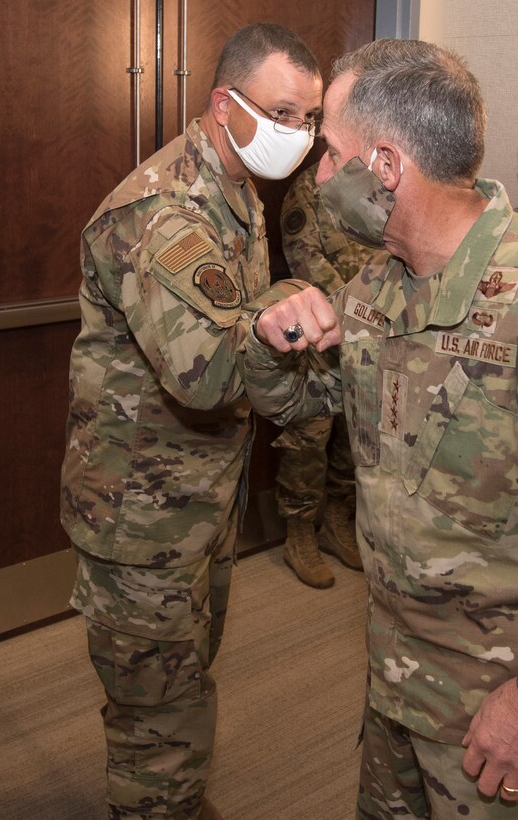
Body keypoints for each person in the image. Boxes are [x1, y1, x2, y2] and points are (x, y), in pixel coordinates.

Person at [242, 38, 518, 818]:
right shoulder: (374, 288)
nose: (318, 175)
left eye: (330, 153)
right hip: (391, 678)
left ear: (386, 166)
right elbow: (303, 404)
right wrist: (273, 338)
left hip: (489, 717)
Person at [60, 23, 322, 820]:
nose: (300, 137)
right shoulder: (160, 211)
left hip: (197, 500)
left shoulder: (235, 187)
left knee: (182, 680)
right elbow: (205, 372)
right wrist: (284, 318)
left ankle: (169, 798)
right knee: (158, 715)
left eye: (310, 119)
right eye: (284, 113)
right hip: (141, 518)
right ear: (224, 105)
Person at [275, 161, 370, 588]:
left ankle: (337, 519)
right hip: (318, 337)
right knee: (307, 441)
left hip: (365, 338)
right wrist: (357, 314)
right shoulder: (306, 189)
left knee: (354, 433)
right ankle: (299, 533)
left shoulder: (376, 184)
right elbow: (304, 260)